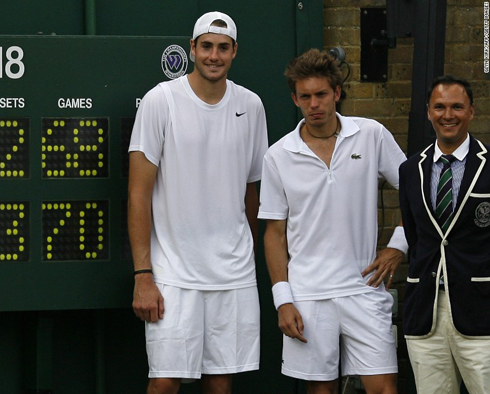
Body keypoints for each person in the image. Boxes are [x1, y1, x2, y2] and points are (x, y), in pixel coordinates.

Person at [127, 11, 268, 394]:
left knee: (220, 385)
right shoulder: (161, 100)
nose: (214, 55)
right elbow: (138, 193)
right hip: (172, 274)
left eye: (223, 48)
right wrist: (143, 275)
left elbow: (252, 192)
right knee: (164, 384)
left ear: (235, 52)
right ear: (192, 49)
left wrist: (245, 255)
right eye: (206, 46)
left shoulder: (251, 106)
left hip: (233, 275)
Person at [258, 49, 406, 394]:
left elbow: (417, 191)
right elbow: (274, 234)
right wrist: (284, 300)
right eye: (305, 97)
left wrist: (397, 246)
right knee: (320, 391)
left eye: (321, 94)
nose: (315, 104)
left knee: (384, 388)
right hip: (307, 294)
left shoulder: (371, 135)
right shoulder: (278, 155)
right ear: (295, 99)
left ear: (337, 93)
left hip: (364, 288)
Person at [398, 75, 490, 394]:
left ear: (471, 112)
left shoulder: (489, 164)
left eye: (456, 107)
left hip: (481, 311)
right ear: (428, 111)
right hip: (426, 312)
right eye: (439, 106)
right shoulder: (410, 170)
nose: (447, 115)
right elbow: (417, 236)